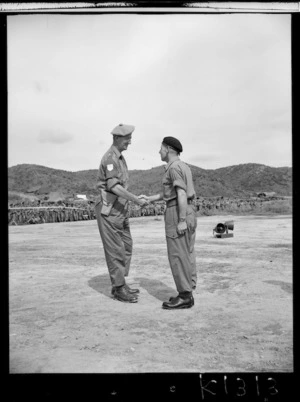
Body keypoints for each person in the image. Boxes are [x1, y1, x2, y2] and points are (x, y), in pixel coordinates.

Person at [139, 137, 197, 309]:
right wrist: (150, 199)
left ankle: (185, 296)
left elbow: (180, 194)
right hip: (188, 210)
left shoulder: (174, 168)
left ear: (169, 149)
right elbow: (169, 193)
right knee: (187, 252)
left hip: (177, 210)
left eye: (161, 148)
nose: (159, 151)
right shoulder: (183, 166)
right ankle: (187, 291)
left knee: (177, 254)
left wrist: (180, 220)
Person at [95, 123, 148, 303]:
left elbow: (122, 185)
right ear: (117, 138)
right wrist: (136, 199)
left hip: (120, 210)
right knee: (116, 249)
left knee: (126, 246)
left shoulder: (120, 158)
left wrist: (134, 198)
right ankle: (118, 288)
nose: (130, 142)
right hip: (109, 211)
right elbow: (114, 187)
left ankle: (120, 282)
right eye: (127, 139)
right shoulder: (110, 159)